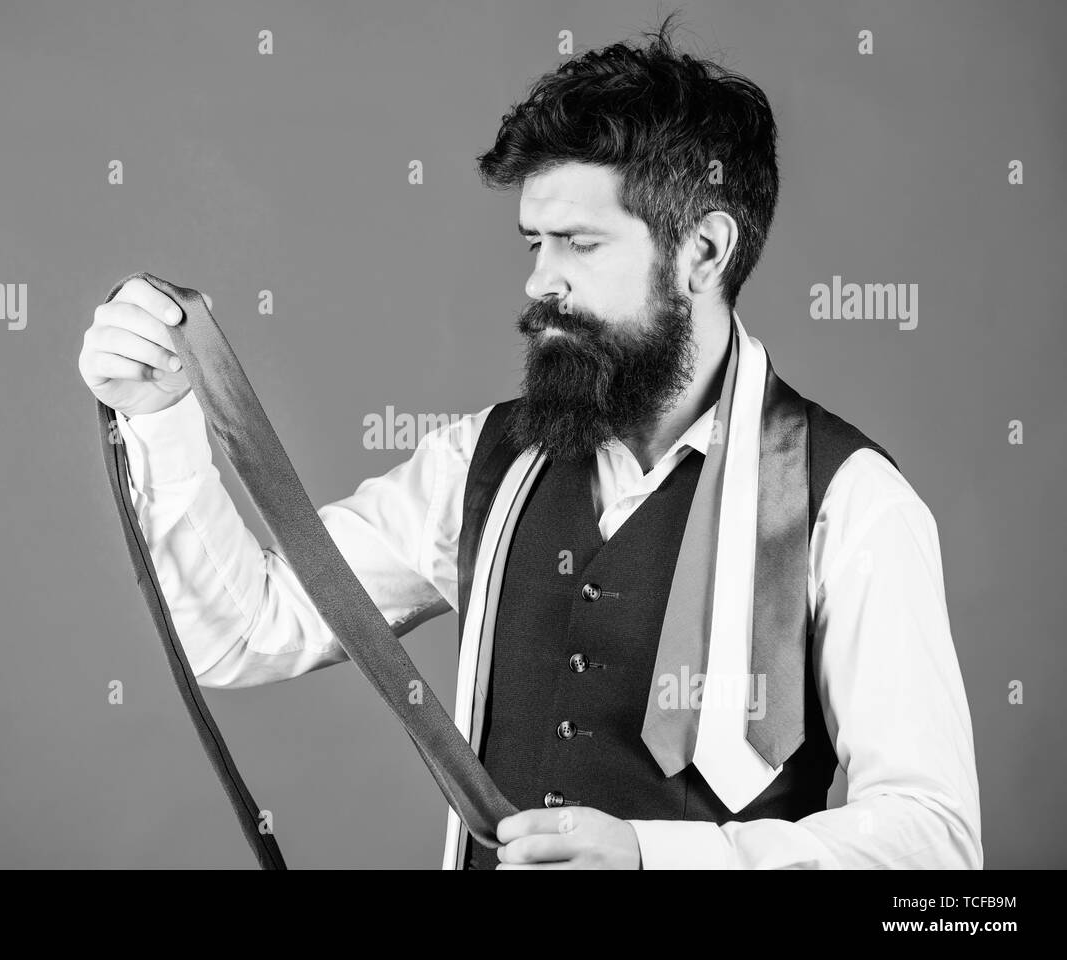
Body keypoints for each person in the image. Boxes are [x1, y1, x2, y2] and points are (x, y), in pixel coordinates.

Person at [76, 19, 981, 870]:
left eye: (578, 244)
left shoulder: (851, 501)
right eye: (533, 242)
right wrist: (161, 419)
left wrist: (652, 857)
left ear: (703, 253)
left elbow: (936, 842)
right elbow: (242, 632)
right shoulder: (481, 463)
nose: (539, 282)